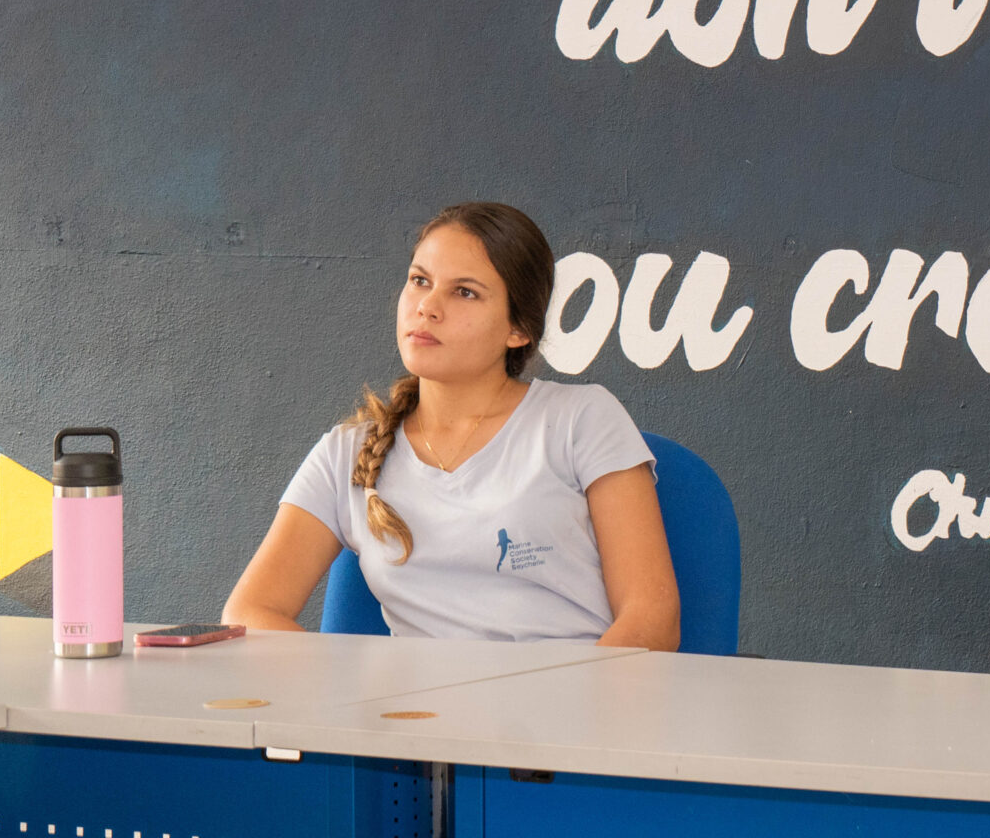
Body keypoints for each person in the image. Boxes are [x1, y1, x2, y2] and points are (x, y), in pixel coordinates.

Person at [224, 202, 680, 647]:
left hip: (573, 692)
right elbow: (249, 611)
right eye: (420, 280)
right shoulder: (345, 452)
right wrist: (353, 685)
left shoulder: (583, 418)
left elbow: (651, 620)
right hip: (415, 699)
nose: (427, 306)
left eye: (465, 292)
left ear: (518, 330)